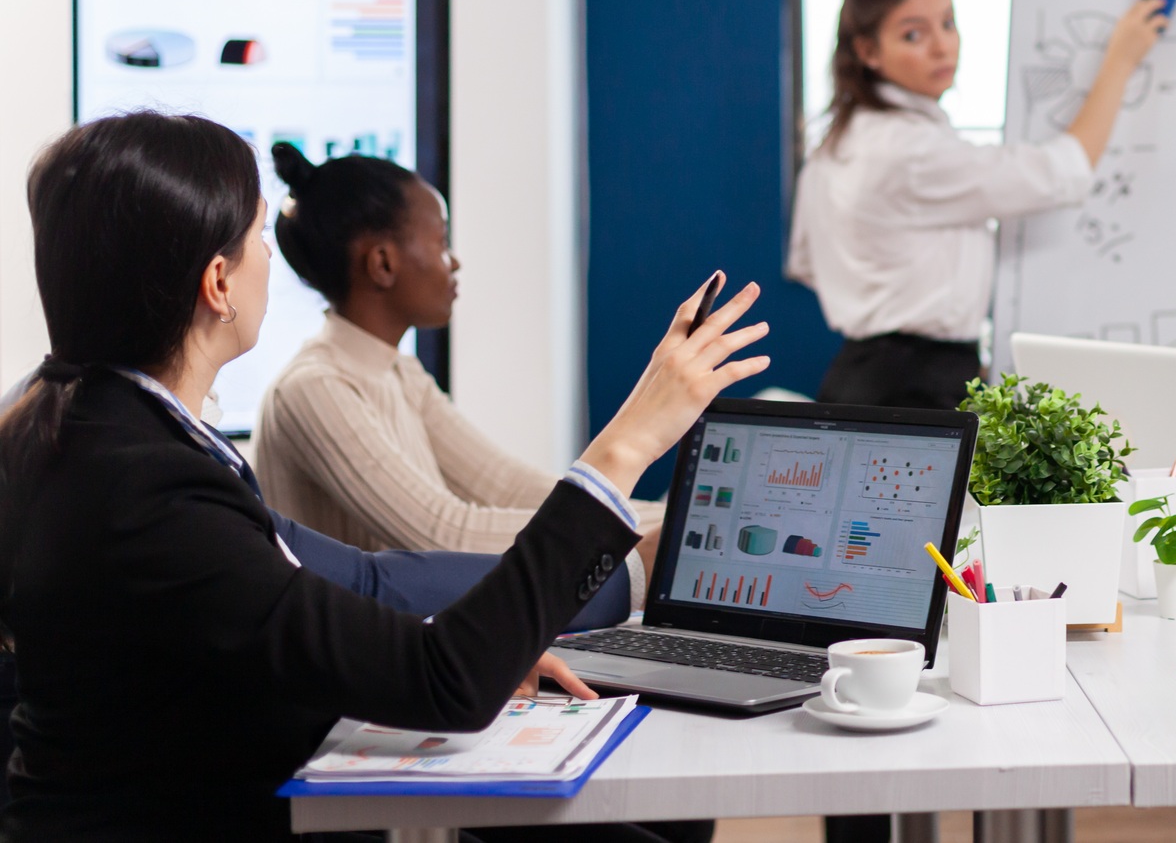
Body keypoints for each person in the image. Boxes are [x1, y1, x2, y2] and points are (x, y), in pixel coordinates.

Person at [0, 111, 769, 842]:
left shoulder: (107, 435)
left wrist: (592, 571)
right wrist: (629, 441)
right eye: (258, 235)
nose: (270, 257)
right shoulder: (146, 489)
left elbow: (365, 582)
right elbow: (447, 679)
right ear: (217, 283)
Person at [253, 141, 665, 614]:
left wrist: (676, 528)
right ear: (383, 263)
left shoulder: (399, 373)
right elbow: (442, 532)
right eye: (442, 241)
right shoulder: (313, 388)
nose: (455, 261)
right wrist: (637, 541)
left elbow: (506, 486)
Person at [788, 0, 1164, 409]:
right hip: (915, 391)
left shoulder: (834, 145)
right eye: (913, 34)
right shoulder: (912, 151)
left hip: (858, 379)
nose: (942, 46)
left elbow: (807, 266)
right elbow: (1063, 169)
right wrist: (1121, 61)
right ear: (868, 51)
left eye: (948, 23)